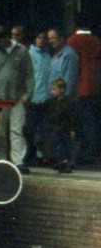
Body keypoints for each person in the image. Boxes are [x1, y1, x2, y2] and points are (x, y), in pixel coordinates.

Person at [0, 23, 34, 173]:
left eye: (1, 40)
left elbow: (29, 74)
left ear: (7, 37)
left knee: (17, 130)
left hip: (17, 98)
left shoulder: (22, 51)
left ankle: (18, 161)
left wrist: (28, 93)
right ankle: (1, 159)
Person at [65, 19, 100, 165]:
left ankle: (85, 153)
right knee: (94, 121)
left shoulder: (72, 41)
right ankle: (93, 151)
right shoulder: (97, 41)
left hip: (80, 88)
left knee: (82, 123)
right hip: (97, 86)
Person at [26, 31, 52, 166]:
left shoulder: (48, 56)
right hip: (33, 97)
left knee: (44, 130)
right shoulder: (29, 55)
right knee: (31, 129)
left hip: (46, 98)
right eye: (39, 37)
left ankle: (42, 156)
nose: (42, 40)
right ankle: (31, 155)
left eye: (44, 38)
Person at [46, 77, 78, 173]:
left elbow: (72, 116)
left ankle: (68, 162)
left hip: (66, 127)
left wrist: (72, 129)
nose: (52, 92)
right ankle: (60, 161)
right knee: (57, 146)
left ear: (62, 90)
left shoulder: (68, 102)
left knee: (67, 146)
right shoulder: (52, 102)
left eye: (54, 90)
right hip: (56, 127)